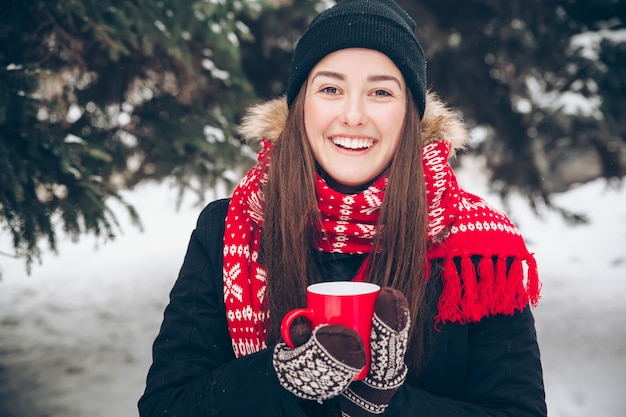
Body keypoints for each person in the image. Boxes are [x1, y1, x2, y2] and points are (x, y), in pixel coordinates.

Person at [138, 0, 547, 416]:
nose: (353, 115)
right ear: (299, 109)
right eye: (331, 89)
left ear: (411, 115)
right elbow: (166, 406)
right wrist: (282, 380)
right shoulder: (228, 228)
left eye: (381, 92)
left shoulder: (479, 251)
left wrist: (387, 406)